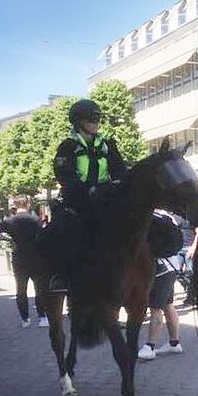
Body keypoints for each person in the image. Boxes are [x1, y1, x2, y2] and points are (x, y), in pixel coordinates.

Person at [47, 98, 129, 291]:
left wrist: (118, 184)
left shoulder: (108, 144)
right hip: (78, 201)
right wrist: (87, 191)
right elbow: (64, 175)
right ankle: (61, 275)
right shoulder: (67, 146)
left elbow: (119, 168)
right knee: (62, 231)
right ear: (79, 122)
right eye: (91, 119)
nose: (96, 123)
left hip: (107, 196)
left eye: (98, 119)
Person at [0, 196, 46, 328]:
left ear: (15, 205)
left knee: (21, 289)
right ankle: (42, 317)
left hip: (18, 257)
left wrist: (5, 239)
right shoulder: (35, 219)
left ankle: (25, 319)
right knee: (39, 288)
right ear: (28, 204)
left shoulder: (9, 221)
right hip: (35, 257)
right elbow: (42, 235)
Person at [138, 211, 184, 361]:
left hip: (160, 269)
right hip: (171, 266)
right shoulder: (166, 217)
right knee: (168, 305)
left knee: (156, 307)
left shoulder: (149, 217)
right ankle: (174, 343)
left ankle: (150, 346)